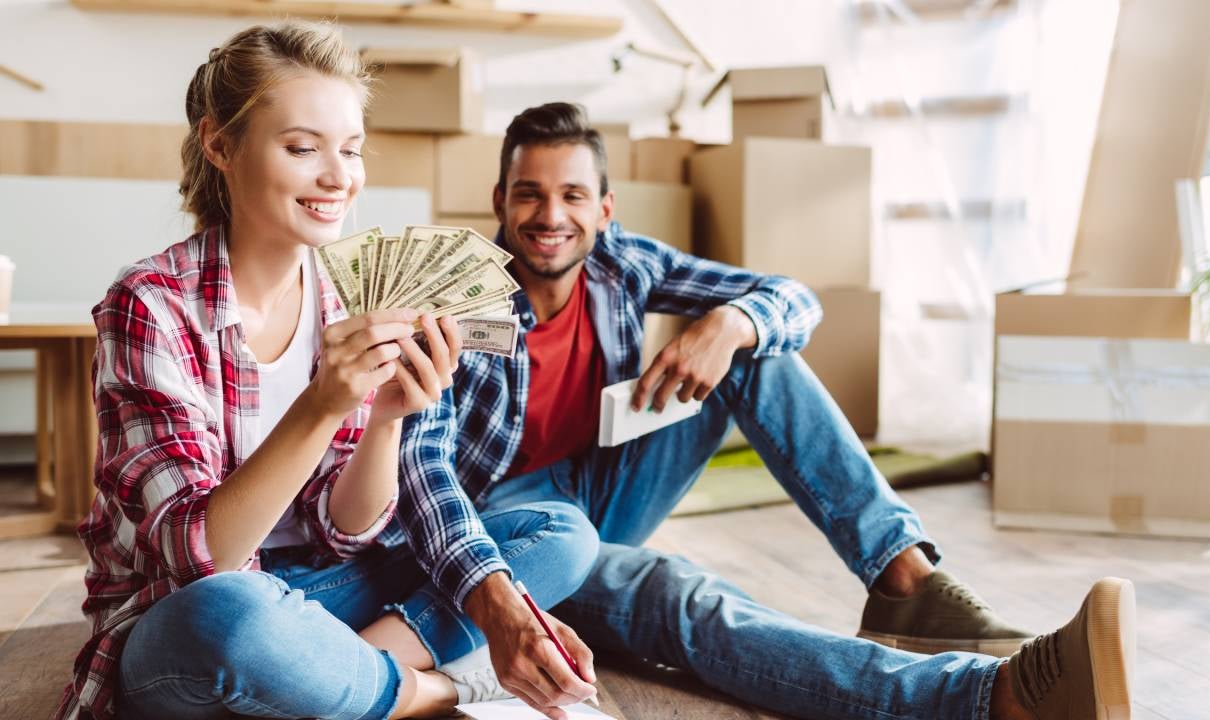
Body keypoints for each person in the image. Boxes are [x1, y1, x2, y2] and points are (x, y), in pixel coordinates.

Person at [397, 102, 1138, 720]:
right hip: (514, 531)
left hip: (601, 486)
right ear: (499, 202)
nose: (550, 215)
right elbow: (422, 472)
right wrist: (494, 598)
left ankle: (905, 580)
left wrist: (733, 324)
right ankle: (986, 699)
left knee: (757, 348)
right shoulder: (459, 293)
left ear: (605, 208)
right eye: (528, 193)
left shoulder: (621, 263)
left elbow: (794, 299)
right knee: (680, 595)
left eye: (572, 196)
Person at [56, 25, 600, 720]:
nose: (340, 177)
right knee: (233, 617)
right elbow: (203, 558)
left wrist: (384, 419)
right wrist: (320, 405)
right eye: (302, 148)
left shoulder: (347, 295)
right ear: (219, 145)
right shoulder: (151, 304)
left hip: (320, 594)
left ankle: (319, 679)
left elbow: (345, 531)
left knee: (560, 532)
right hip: (188, 612)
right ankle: (423, 690)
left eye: (350, 149)